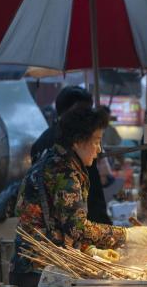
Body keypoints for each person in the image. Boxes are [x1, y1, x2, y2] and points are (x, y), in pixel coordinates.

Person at [10, 106, 147, 287]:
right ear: (78, 141)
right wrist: (126, 235)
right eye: (96, 141)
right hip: (39, 274)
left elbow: (61, 224)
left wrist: (91, 251)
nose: (99, 149)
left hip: (42, 271)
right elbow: (77, 228)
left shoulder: (58, 162)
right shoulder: (63, 172)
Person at [31, 86, 111, 224]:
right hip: (52, 236)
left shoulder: (44, 142)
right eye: (83, 111)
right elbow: (77, 226)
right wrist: (122, 235)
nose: (87, 116)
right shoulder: (65, 160)